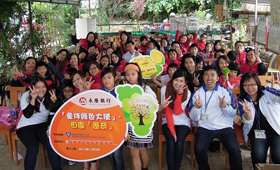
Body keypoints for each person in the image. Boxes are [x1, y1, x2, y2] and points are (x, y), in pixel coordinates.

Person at [189, 65, 242, 170]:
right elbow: (193, 117)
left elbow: (233, 114)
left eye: (213, 75)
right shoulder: (197, 94)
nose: (209, 78)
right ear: (203, 77)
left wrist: (225, 107)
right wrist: (197, 108)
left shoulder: (225, 92)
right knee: (199, 149)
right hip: (205, 126)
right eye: (206, 75)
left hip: (224, 126)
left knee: (234, 150)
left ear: (218, 78)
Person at [16, 77, 61, 170]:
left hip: (42, 126)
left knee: (52, 145)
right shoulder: (26, 95)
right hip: (26, 126)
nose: (41, 90)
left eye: (43, 87)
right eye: (38, 87)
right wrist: (33, 98)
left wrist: (54, 103)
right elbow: (27, 115)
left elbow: (52, 116)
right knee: (33, 148)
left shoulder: (49, 96)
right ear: (33, 88)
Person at [238, 72, 280, 169]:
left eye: (252, 84)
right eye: (246, 85)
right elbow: (247, 121)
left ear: (258, 84)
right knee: (258, 157)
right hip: (257, 133)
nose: (249, 87)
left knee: (278, 156)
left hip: (276, 131)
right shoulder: (242, 99)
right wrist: (247, 112)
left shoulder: (267, 92)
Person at [124, 63, 157, 170]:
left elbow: (154, 103)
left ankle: (145, 168)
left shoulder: (146, 88)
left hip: (143, 126)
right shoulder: (124, 89)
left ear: (138, 74)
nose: (130, 77)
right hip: (130, 127)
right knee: (134, 153)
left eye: (133, 74)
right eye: (128, 75)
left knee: (142, 151)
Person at [160, 70, 191, 170]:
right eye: (176, 80)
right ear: (172, 80)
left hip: (183, 122)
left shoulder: (187, 92)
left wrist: (179, 95)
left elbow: (177, 112)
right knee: (170, 141)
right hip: (167, 122)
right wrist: (172, 131)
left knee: (179, 142)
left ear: (185, 83)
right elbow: (168, 111)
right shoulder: (165, 89)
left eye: (181, 81)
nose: (178, 83)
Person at [99, 67, 125, 170]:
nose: (107, 80)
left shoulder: (121, 91)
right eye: (104, 78)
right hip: (104, 127)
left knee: (117, 154)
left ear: (115, 78)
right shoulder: (99, 92)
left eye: (109, 77)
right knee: (109, 153)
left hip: (117, 128)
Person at [49, 80, 76, 166]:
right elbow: (54, 113)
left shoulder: (76, 99)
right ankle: (63, 153)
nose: (67, 93)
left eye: (70, 90)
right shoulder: (60, 99)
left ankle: (71, 156)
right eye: (65, 90)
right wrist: (54, 103)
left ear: (74, 91)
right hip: (63, 125)